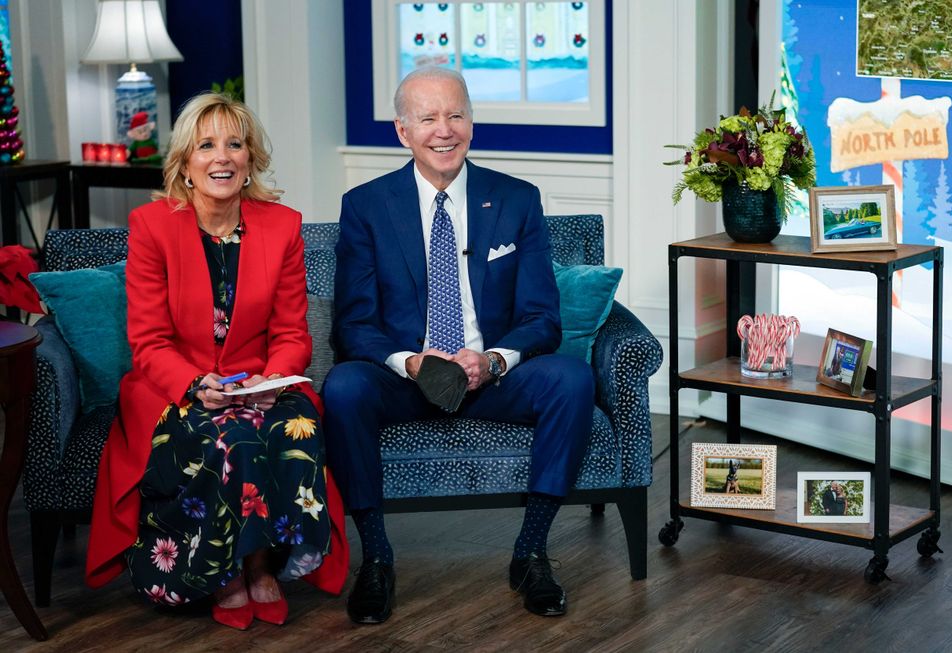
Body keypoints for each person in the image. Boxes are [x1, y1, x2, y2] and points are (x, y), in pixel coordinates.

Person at [320, 66, 594, 624]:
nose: (444, 130)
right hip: (406, 378)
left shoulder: (516, 200)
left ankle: (531, 552)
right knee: (344, 385)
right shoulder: (366, 206)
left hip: (490, 375)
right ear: (403, 132)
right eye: (428, 118)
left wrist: (493, 360)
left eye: (456, 115)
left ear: (471, 121)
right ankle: (377, 558)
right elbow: (353, 324)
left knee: (571, 378)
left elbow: (543, 318)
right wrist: (412, 361)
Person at [84, 92, 349, 630]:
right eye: (206, 145)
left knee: (295, 427)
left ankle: (261, 565)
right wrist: (196, 383)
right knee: (233, 438)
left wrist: (271, 378)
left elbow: (293, 332)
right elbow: (150, 340)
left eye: (235, 143)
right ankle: (228, 572)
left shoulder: (282, 226)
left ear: (251, 159)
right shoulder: (152, 227)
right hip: (173, 390)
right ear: (185, 162)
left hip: (259, 383)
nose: (222, 157)